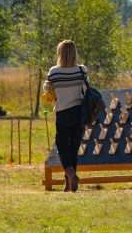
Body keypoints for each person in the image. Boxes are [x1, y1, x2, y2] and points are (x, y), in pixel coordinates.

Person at [43, 40, 86, 192]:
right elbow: (85, 88)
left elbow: (46, 88)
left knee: (62, 146)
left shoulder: (54, 71)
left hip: (63, 112)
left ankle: (69, 173)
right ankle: (69, 184)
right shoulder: (82, 70)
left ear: (60, 53)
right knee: (73, 148)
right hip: (80, 111)